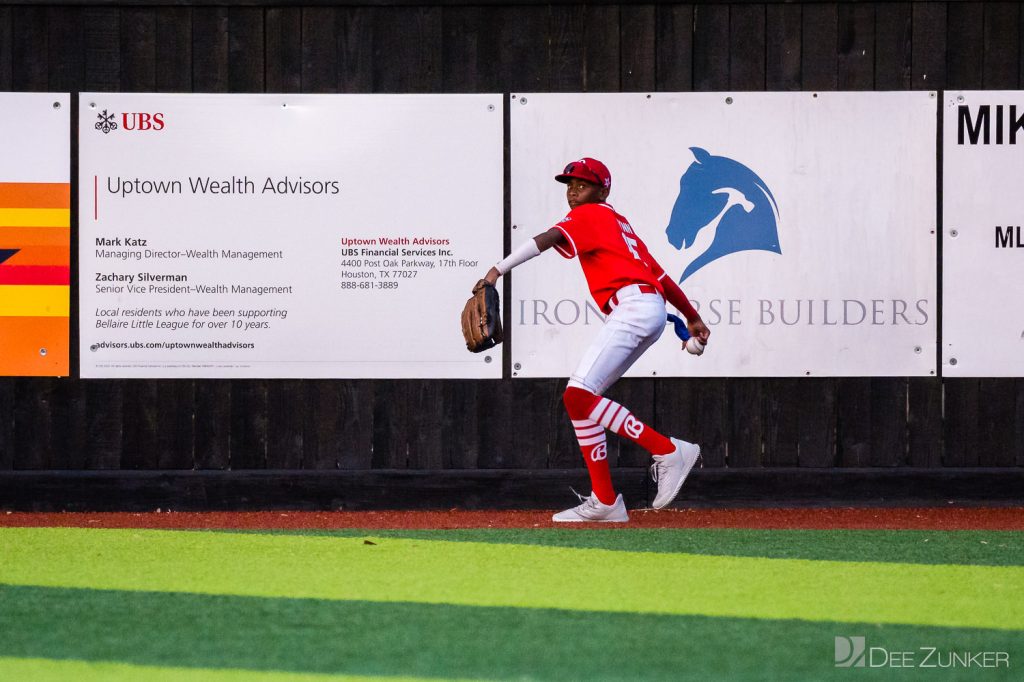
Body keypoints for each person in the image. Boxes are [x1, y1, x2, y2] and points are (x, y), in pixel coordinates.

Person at [480, 157, 710, 522]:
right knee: (579, 402)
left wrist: (496, 271)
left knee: (577, 395)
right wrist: (692, 316)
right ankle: (605, 501)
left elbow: (548, 239)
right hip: (646, 307)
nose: (573, 192)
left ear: (603, 191)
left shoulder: (591, 213)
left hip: (633, 307)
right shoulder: (621, 226)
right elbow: (661, 277)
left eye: (582, 185)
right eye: (569, 185)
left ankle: (667, 450)